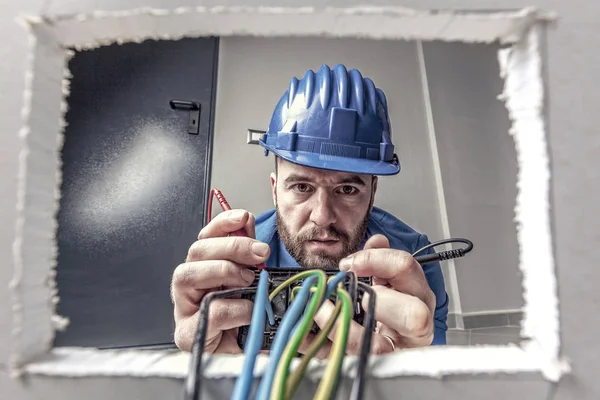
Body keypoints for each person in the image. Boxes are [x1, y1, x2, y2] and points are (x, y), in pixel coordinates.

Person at [171, 64, 449, 357]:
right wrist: (219, 365)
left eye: (347, 190)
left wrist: (410, 368)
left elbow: (434, 361)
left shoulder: (414, 262)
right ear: (275, 190)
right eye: (302, 187)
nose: (322, 216)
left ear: (372, 193)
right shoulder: (236, 268)